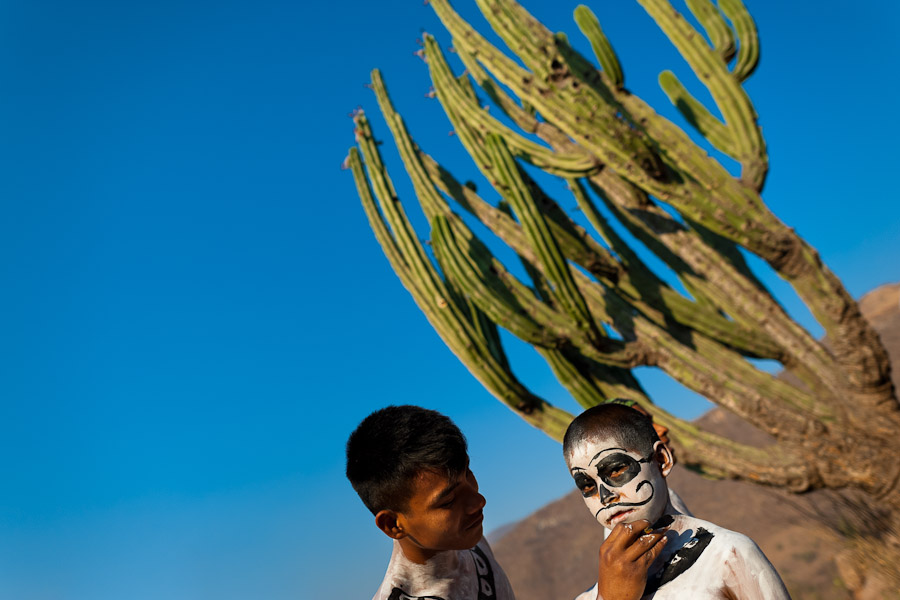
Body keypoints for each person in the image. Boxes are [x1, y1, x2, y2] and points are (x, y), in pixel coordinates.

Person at [346, 405, 669, 600]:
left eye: (468, 477)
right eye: (447, 501)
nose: (477, 501)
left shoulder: (460, 540)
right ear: (393, 524)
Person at [563, 403, 792, 600]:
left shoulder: (727, 556)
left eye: (616, 470)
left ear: (662, 460)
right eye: (587, 486)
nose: (605, 496)